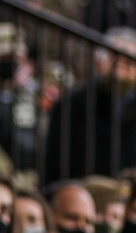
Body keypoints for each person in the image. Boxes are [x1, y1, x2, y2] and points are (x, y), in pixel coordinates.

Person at [44, 26, 136, 182]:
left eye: (128, 63)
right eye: (114, 61)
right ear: (99, 62)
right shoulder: (70, 106)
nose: (118, 73)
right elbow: (53, 168)